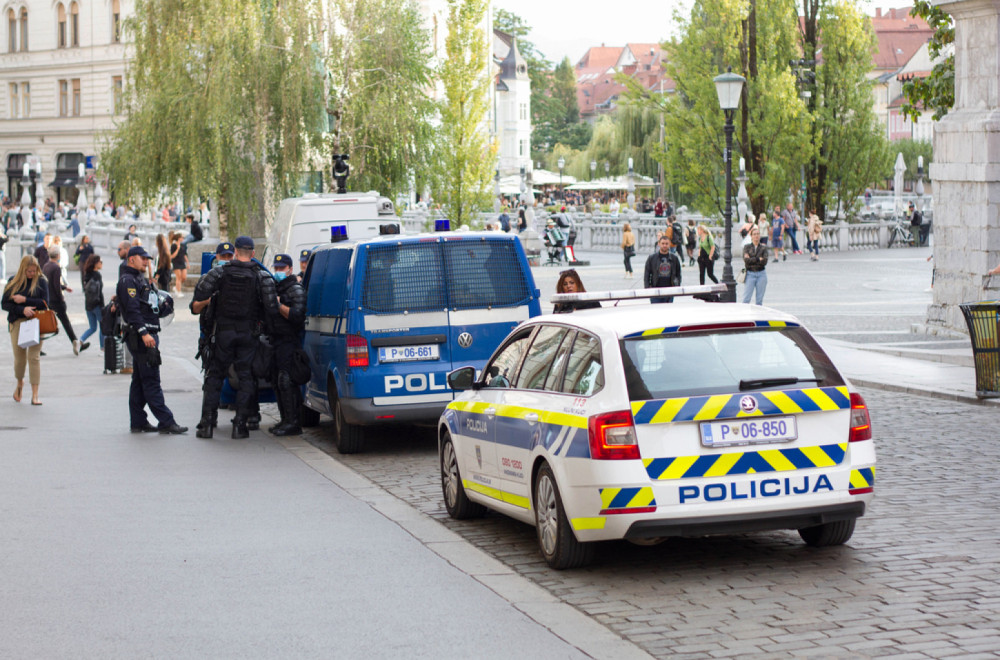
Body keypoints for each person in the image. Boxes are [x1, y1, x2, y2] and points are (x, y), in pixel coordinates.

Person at [191, 236, 278, 439]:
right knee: (246, 377)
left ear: (236, 252)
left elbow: (200, 295)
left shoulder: (219, 272)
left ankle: (207, 424)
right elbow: (272, 307)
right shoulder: (260, 276)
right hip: (247, 334)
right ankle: (240, 424)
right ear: (253, 254)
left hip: (223, 332)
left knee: (215, 376)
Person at [117, 246, 186, 434]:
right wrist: (144, 333)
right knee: (151, 380)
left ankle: (138, 421)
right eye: (142, 258)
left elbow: (149, 306)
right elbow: (132, 311)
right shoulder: (128, 281)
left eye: (147, 259)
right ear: (131, 259)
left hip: (146, 334)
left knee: (139, 380)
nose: (146, 262)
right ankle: (166, 421)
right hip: (142, 337)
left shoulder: (138, 279)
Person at [268, 253, 307, 436]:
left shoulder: (295, 289)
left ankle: (293, 422)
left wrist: (279, 306)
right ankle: (285, 420)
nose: (278, 271)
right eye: (276, 268)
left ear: (290, 269)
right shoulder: (276, 288)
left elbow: (297, 316)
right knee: (277, 381)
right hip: (276, 341)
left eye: (281, 268)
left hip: (289, 341)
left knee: (286, 381)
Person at [2, 255, 49, 405]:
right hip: (18, 321)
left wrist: (25, 300)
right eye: (29, 271)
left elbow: (45, 303)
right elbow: (5, 304)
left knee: (34, 357)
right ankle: (20, 383)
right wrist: (23, 309)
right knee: (20, 358)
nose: (32, 274)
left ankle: (35, 394)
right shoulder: (13, 282)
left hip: (37, 321)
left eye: (34, 271)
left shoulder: (42, 281)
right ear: (23, 270)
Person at [42, 247, 87, 355]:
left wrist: (64, 287)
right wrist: (61, 297)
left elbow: (49, 283)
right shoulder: (56, 268)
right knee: (65, 322)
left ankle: (38, 346)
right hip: (56, 300)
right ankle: (75, 341)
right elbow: (56, 284)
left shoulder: (46, 266)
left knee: (44, 323)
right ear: (58, 256)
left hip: (48, 298)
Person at [644, 234, 682, 303]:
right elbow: (647, 274)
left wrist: (677, 286)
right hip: (655, 290)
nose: (664, 245)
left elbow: (678, 273)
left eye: (667, 244)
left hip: (670, 291)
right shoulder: (652, 258)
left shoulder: (674, 258)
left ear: (670, 244)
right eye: (663, 243)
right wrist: (647, 288)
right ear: (659, 244)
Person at [80, 254, 104, 350]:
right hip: (97, 304)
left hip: (88, 304)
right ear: (95, 264)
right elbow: (98, 291)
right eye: (100, 262)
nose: (102, 264)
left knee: (92, 327)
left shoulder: (87, 274)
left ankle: (80, 341)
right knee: (102, 325)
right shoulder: (97, 275)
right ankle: (103, 347)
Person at [742, 225, 769, 305]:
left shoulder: (763, 248)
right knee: (746, 299)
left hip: (761, 274)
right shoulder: (747, 247)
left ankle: (758, 317)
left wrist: (752, 258)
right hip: (750, 274)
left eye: (758, 234)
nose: (756, 236)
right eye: (754, 234)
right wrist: (758, 259)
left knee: (759, 300)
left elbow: (764, 261)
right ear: (751, 236)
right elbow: (746, 261)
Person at [169, 231, 187, 297]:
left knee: (184, 277)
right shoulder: (173, 245)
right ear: (179, 238)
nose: (183, 238)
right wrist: (177, 249)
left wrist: (187, 262)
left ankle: (176, 287)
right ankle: (178, 291)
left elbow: (184, 254)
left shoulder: (183, 245)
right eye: (182, 237)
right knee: (178, 277)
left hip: (182, 262)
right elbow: (172, 256)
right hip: (176, 262)